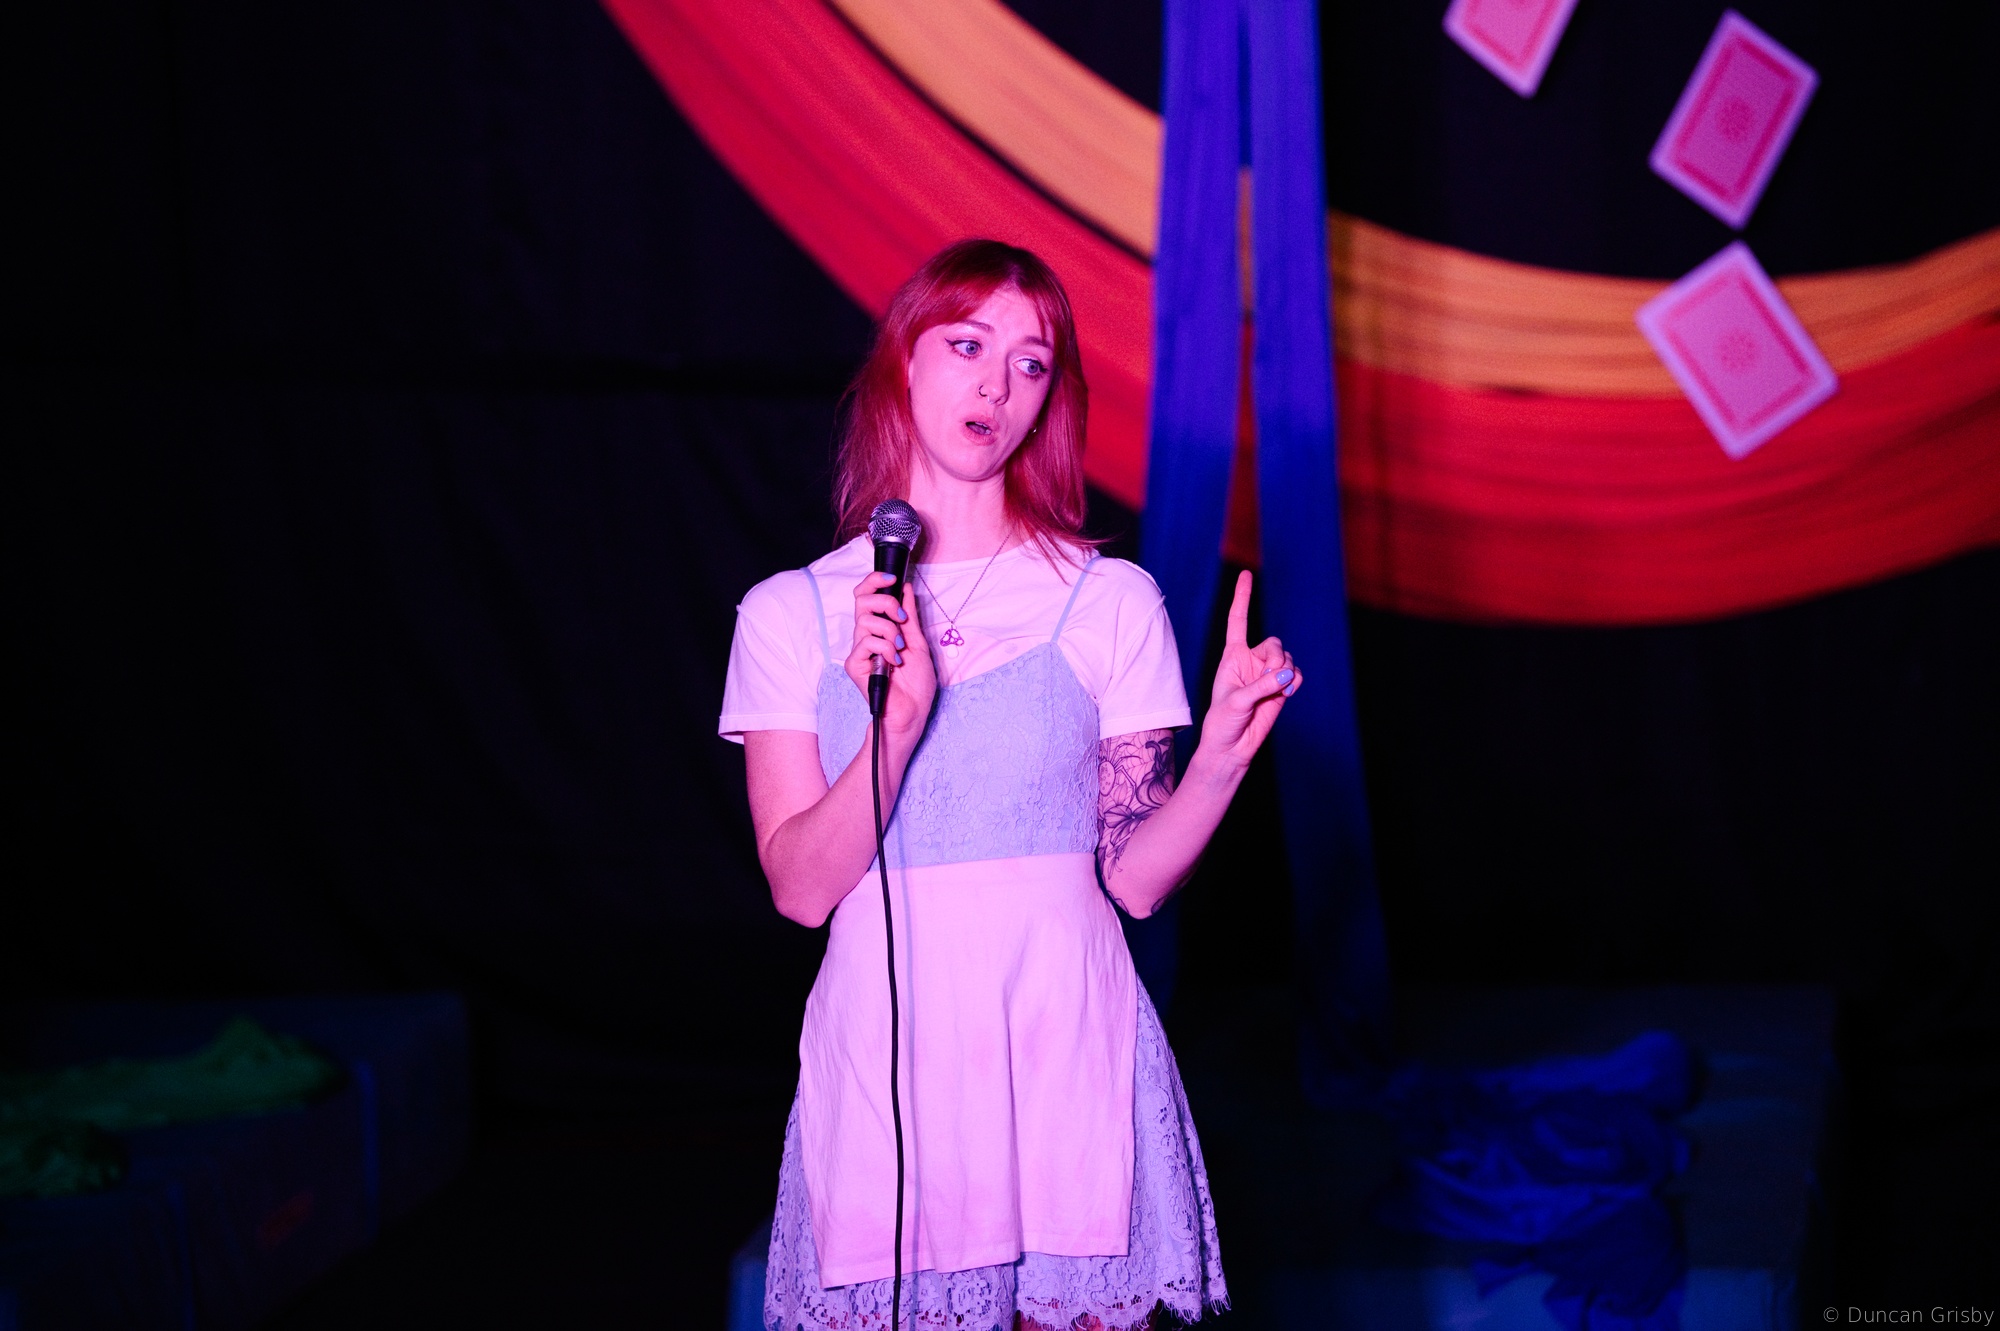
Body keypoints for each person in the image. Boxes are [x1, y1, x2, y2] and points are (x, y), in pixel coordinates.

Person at [719, 239, 1300, 1331]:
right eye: (967, 345)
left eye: (1030, 362)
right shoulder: (789, 614)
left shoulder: (1108, 600)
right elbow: (799, 888)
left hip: (1064, 1044)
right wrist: (893, 730)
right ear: (904, 358)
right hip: (890, 1062)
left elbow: (1135, 878)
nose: (995, 383)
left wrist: (1222, 752)